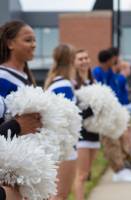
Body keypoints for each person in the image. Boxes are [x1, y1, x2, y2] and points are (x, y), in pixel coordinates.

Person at [0, 20, 43, 200]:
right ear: (10, 44)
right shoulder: (2, 77)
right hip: (9, 166)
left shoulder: (25, 77)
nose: (33, 44)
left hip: (30, 162)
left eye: (34, 40)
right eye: (27, 40)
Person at [92, 49, 131, 182]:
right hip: (105, 112)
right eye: (116, 59)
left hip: (115, 109)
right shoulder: (97, 72)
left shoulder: (110, 72)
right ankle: (118, 170)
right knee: (111, 141)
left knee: (120, 138)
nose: (117, 62)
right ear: (110, 59)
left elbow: (115, 90)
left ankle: (123, 165)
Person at [44, 44, 78, 200]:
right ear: (71, 59)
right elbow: (65, 119)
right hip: (64, 147)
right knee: (60, 195)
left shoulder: (55, 81)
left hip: (59, 145)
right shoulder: (63, 85)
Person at [73, 49, 100, 200]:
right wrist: (92, 109)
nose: (84, 61)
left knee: (87, 174)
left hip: (95, 134)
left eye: (86, 58)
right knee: (81, 175)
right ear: (74, 63)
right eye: (80, 59)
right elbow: (75, 112)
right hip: (81, 135)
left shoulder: (93, 82)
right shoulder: (73, 84)